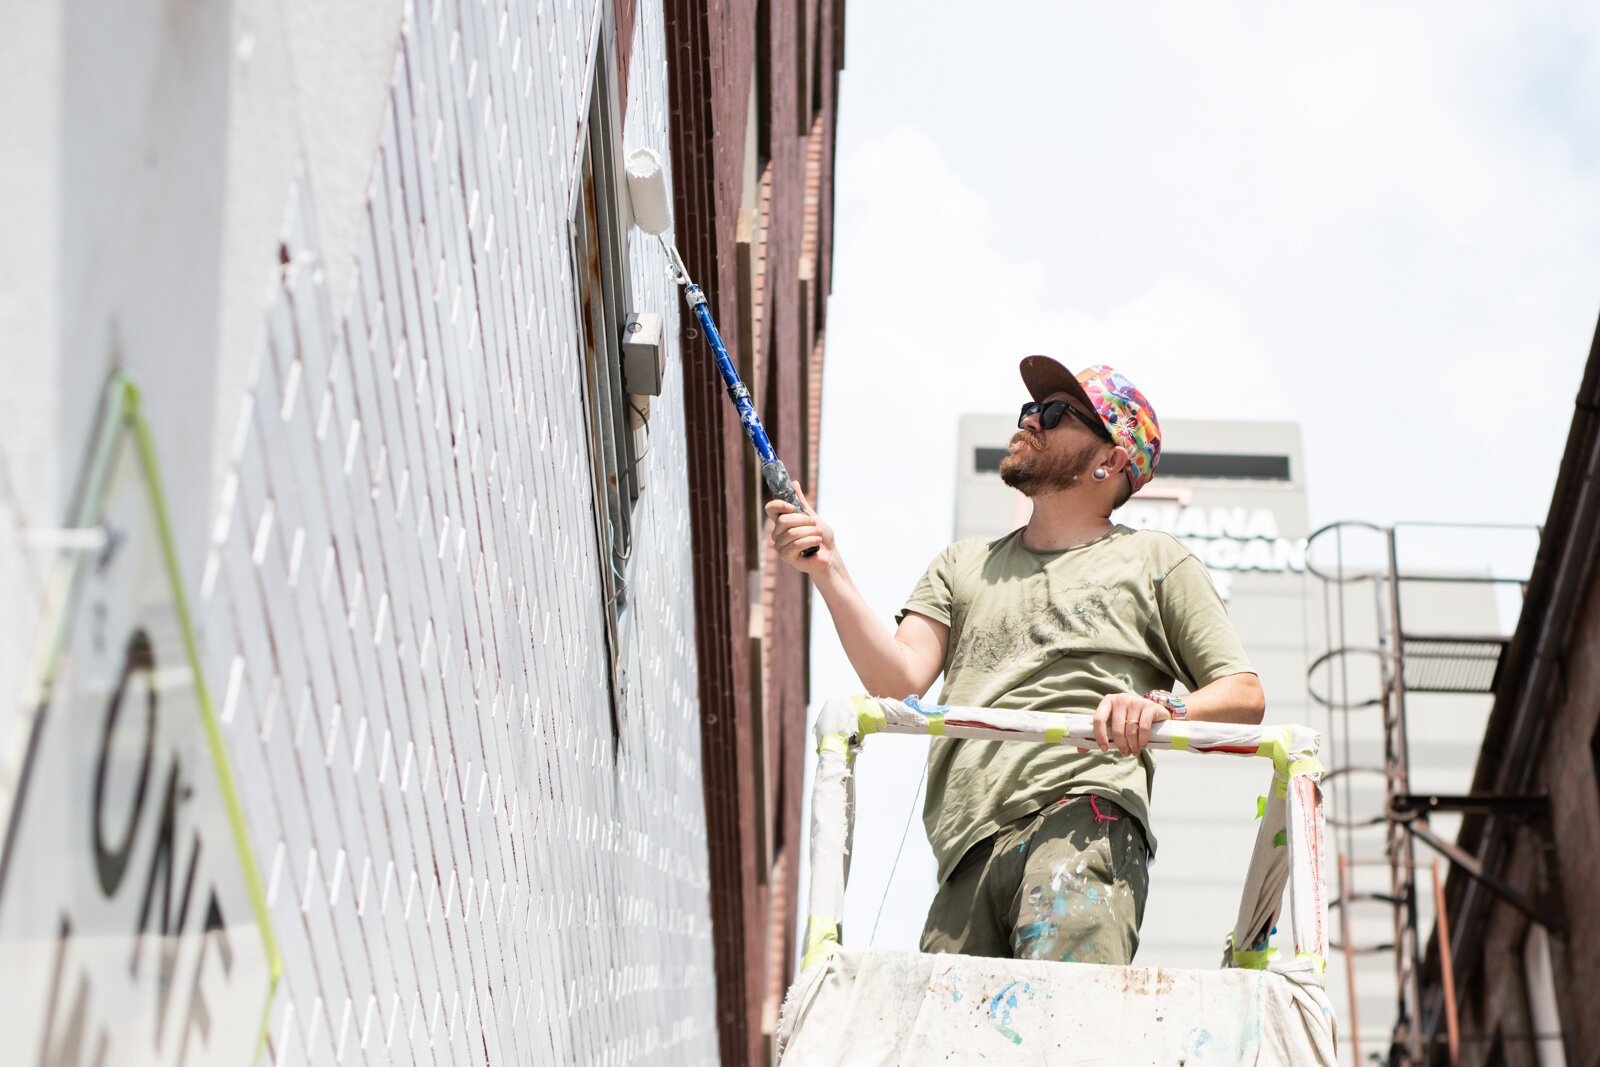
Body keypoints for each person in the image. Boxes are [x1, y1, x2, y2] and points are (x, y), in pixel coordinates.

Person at [766, 356, 1265, 966]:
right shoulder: (963, 564)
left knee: (1060, 1034)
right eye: (1031, 408)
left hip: (1082, 815)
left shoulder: (1156, 560)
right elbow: (896, 680)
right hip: (964, 847)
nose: (1031, 419)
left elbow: (1243, 693)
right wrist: (828, 569)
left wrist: (1162, 707)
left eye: (1055, 413)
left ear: (1109, 461)